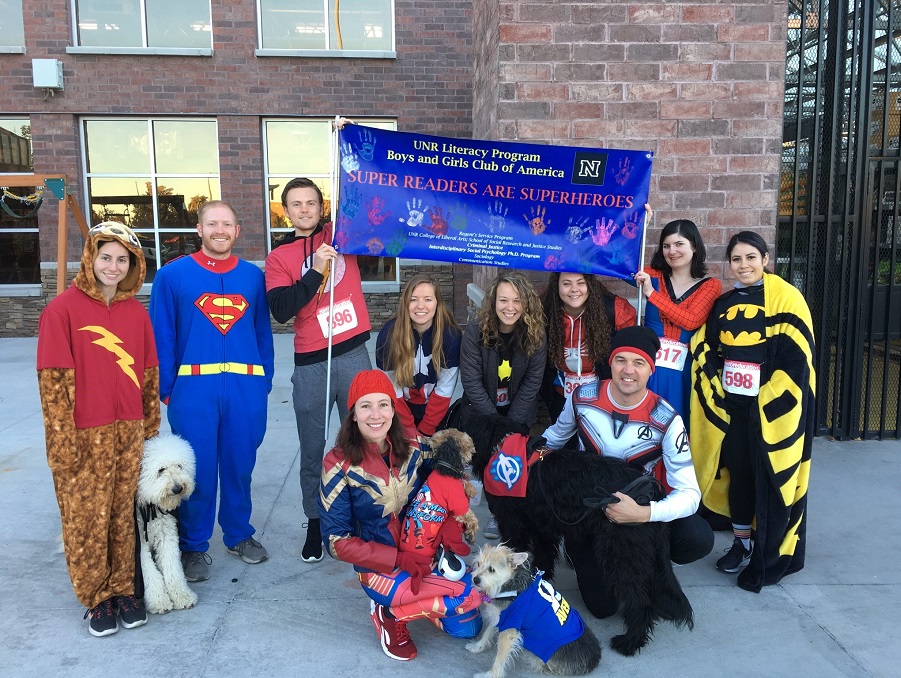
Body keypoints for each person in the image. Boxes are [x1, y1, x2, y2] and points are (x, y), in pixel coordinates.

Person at [37, 221, 160, 636]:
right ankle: (96, 597)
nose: (113, 266)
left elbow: (148, 374)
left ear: (133, 266)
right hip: (82, 432)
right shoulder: (62, 310)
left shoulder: (136, 313)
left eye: (122, 259)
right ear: (91, 258)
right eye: (106, 257)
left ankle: (123, 588)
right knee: (86, 518)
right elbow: (53, 383)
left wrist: (150, 429)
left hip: (127, 430)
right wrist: (62, 441)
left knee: (122, 515)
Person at [542, 325, 714, 618]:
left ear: (651, 369)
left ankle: (646, 563)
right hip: (588, 514)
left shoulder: (667, 419)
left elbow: (690, 494)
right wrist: (522, 452)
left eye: (639, 363)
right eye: (621, 359)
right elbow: (554, 438)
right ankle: (576, 551)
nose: (628, 370)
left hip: (637, 509)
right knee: (604, 608)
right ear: (610, 362)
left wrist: (644, 514)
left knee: (697, 537)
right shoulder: (582, 397)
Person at [319, 370, 483, 662]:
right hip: (380, 565)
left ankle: (427, 602)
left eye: (383, 404)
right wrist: (396, 559)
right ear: (353, 414)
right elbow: (336, 542)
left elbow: (449, 479)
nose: (375, 415)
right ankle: (389, 614)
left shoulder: (416, 447)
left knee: (469, 624)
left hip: (425, 553)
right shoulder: (337, 464)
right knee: (456, 596)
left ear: (393, 410)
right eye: (365, 405)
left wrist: (448, 527)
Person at [150, 201, 274, 583]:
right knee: (195, 471)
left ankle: (238, 534)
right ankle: (194, 545)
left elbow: (261, 333)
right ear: (200, 230)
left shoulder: (254, 277)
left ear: (237, 231)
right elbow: (162, 334)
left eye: (227, 224)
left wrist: (262, 380)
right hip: (194, 389)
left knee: (240, 466)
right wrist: (168, 389)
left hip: (244, 387)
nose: (220, 230)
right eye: (212, 223)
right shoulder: (172, 276)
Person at [690, 231, 815, 592]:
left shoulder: (787, 300)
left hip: (772, 411)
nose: (743, 265)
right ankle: (742, 543)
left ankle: (770, 545)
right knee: (740, 474)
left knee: (771, 475)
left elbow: (798, 357)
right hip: (733, 407)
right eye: (736, 259)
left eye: (750, 258)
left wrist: (769, 395)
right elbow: (709, 346)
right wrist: (716, 382)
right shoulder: (724, 303)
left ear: (764, 259)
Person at [265, 175, 372, 563]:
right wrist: (316, 270)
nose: (304, 209)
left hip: (353, 354)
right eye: (296, 204)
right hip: (311, 361)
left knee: (361, 443)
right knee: (313, 448)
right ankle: (315, 521)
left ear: (321, 206)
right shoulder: (279, 257)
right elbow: (281, 308)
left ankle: (363, 516)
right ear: (286, 210)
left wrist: (348, 143)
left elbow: (365, 198)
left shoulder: (341, 233)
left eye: (311, 202)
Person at [460, 270, 547, 539]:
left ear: (526, 304)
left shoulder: (535, 334)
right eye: (503, 300)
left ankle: (509, 513)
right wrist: (495, 425)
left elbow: (533, 382)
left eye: (517, 301)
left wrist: (513, 424)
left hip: (518, 413)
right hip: (482, 412)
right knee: (487, 462)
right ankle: (496, 513)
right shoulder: (475, 330)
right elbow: (471, 381)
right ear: (493, 302)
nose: (509, 308)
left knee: (512, 463)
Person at [633, 219, 721, 419]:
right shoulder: (653, 275)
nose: (672, 251)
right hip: (648, 367)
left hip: (685, 372)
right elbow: (620, 261)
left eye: (679, 244)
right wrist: (639, 225)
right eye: (666, 246)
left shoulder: (710, 285)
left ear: (695, 247)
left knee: (680, 426)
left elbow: (691, 320)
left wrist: (651, 294)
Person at [541, 272, 637, 422]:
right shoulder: (545, 312)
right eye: (566, 284)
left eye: (581, 282)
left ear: (590, 284)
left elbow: (632, 353)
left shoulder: (614, 309)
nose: (574, 289)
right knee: (565, 442)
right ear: (557, 286)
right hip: (561, 395)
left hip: (603, 397)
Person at [376, 274, 461, 436]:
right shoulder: (388, 336)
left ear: (437, 303)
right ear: (405, 303)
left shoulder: (450, 336)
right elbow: (390, 388)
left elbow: (445, 388)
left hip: (434, 415)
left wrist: (426, 430)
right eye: (413, 299)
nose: (420, 306)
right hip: (398, 414)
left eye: (428, 299)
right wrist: (408, 430)